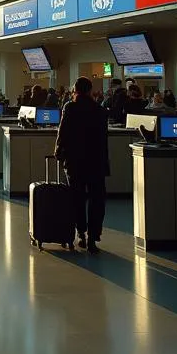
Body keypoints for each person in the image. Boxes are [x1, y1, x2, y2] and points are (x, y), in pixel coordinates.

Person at [54, 76, 109, 253]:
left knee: (77, 198)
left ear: (75, 90)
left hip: (75, 161)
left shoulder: (70, 108)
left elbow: (63, 132)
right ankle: (94, 237)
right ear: (90, 90)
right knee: (96, 199)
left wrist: (58, 152)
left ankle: (81, 234)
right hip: (96, 161)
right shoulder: (99, 110)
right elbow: (103, 138)